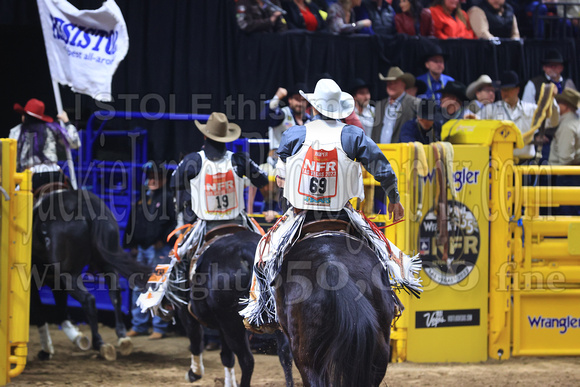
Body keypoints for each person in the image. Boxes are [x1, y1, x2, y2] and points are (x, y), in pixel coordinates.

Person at [240, 78, 421, 332]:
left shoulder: (295, 133)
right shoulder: (354, 135)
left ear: (314, 107)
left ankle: (261, 309)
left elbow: (280, 174)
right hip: (343, 212)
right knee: (384, 252)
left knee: (265, 252)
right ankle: (389, 301)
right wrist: (394, 199)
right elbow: (383, 169)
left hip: (302, 215)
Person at [171, 112, 271, 236]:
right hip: (237, 221)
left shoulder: (192, 161)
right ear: (226, 137)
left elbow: (174, 182)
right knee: (262, 247)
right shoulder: (239, 160)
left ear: (205, 136)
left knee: (179, 253)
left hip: (206, 224)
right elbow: (263, 180)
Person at [124, 162, 176, 340]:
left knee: (157, 285)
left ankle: (159, 327)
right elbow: (133, 222)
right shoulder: (142, 199)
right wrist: (131, 244)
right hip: (142, 248)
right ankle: (139, 325)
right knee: (139, 284)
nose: (152, 180)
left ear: (163, 179)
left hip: (159, 250)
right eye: (150, 177)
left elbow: (174, 222)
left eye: (156, 177)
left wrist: (163, 240)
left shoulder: (168, 198)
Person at [478, 71, 559, 161]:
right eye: (503, 89)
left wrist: (552, 100)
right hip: (499, 163)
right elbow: (476, 124)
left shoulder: (531, 109)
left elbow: (553, 122)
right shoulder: (491, 110)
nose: (505, 93)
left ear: (517, 89)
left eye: (508, 89)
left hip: (525, 164)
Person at [262, 84, 313, 220]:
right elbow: (266, 115)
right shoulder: (282, 114)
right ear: (290, 100)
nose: (300, 103)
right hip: (276, 163)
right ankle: (269, 212)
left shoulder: (309, 120)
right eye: (296, 99)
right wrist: (277, 97)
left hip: (301, 165)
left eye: (302, 100)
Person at [9, 98, 81, 191]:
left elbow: (12, 158)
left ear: (25, 116)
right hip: (55, 173)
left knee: (12, 201)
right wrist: (67, 122)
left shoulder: (17, 132)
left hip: (32, 176)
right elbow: (75, 143)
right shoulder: (52, 129)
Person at [371, 66, 418, 144]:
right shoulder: (380, 105)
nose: (391, 86)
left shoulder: (414, 103)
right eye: (389, 83)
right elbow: (375, 132)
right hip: (380, 152)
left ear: (403, 85)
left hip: (402, 152)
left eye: (395, 83)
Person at [549, 88, 580, 165]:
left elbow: (565, 159)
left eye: (558, 102)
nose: (556, 106)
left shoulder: (567, 126)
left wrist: (560, 174)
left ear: (565, 106)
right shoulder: (575, 121)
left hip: (564, 173)